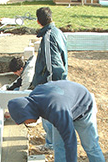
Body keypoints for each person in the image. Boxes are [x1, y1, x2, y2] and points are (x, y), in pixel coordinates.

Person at [7, 80, 108, 162]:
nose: (26, 123)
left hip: (82, 108)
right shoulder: (33, 100)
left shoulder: (57, 111)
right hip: (64, 105)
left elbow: (70, 140)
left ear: (28, 112)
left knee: (90, 146)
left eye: (24, 120)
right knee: (59, 146)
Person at [30, 7, 69, 150]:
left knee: (48, 117)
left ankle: (52, 145)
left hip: (52, 84)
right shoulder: (58, 32)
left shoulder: (48, 37)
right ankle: (53, 143)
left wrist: (50, 88)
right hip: (58, 83)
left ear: (38, 21)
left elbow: (54, 66)